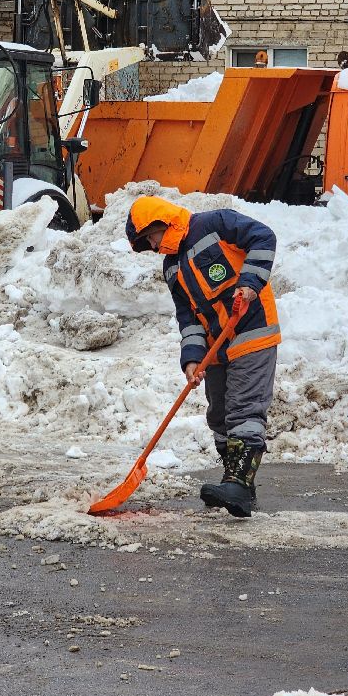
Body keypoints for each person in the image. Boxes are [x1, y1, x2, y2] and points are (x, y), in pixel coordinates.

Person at [126, 195, 280, 518]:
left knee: (244, 408)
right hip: (216, 347)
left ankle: (238, 484)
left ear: (161, 222)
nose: (153, 247)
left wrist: (250, 283)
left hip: (252, 329)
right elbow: (188, 317)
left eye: (150, 238)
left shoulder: (214, 224)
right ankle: (237, 483)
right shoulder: (171, 267)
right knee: (219, 415)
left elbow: (263, 237)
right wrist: (193, 357)